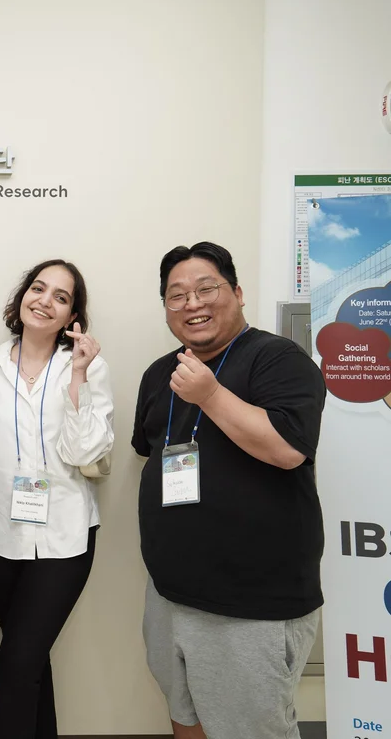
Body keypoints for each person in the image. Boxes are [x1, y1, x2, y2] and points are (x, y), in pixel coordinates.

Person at [132, 241, 326, 739]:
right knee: (185, 717)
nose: (192, 304)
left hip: (251, 604)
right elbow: (148, 451)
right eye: (177, 295)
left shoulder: (278, 358)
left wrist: (211, 395)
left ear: (237, 293)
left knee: (252, 729)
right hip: (170, 594)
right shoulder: (159, 373)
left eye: (206, 289)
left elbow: (288, 449)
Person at [0, 259, 114, 739]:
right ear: (22, 297)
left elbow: (85, 452)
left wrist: (78, 376)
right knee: (28, 662)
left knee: (16, 664)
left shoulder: (89, 366)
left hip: (64, 538)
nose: (45, 301)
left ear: (73, 315)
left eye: (61, 297)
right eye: (38, 288)